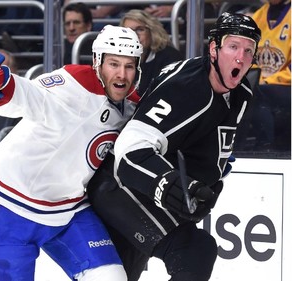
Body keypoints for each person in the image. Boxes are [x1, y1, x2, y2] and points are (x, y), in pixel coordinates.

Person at [0, 25, 143, 280]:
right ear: (98, 62)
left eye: (129, 66)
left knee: (111, 276)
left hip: (68, 209)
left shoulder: (132, 107)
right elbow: (31, 96)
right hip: (8, 204)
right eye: (114, 64)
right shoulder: (73, 85)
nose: (121, 74)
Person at [87, 12, 261, 281]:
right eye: (233, 46)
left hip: (145, 194)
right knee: (194, 251)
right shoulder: (187, 86)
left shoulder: (241, 95)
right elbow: (129, 153)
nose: (241, 57)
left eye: (249, 50)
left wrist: (212, 175)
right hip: (121, 188)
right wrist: (170, 187)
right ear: (214, 48)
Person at [250, 0, 291, 150]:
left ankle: (266, 147)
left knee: (259, 93)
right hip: (263, 85)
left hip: (287, 84)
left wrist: (268, 81)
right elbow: (249, 57)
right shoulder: (258, 16)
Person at [120, 9, 184, 96]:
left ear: (152, 32)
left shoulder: (170, 57)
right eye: (129, 31)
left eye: (140, 29)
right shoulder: (116, 58)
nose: (135, 35)